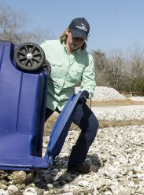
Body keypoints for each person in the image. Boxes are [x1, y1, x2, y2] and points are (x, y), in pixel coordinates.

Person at [41, 18, 99, 175]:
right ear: (67, 32)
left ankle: (75, 163)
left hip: (69, 100)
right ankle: (28, 160)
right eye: (75, 36)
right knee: (32, 126)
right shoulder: (47, 47)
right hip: (45, 97)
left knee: (91, 125)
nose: (77, 41)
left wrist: (85, 93)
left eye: (81, 38)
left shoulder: (87, 59)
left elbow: (89, 83)